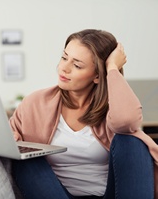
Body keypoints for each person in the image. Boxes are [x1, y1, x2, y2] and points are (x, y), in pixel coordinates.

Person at [9, 29, 158, 199]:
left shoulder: (114, 108)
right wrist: (10, 137)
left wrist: (112, 68)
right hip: (55, 194)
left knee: (131, 141)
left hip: (108, 195)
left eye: (77, 65)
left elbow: (126, 122)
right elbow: (7, 134)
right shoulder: (35, 103)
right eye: (64, 57)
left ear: (97, 76)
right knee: (26, 159)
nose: (63, 68)